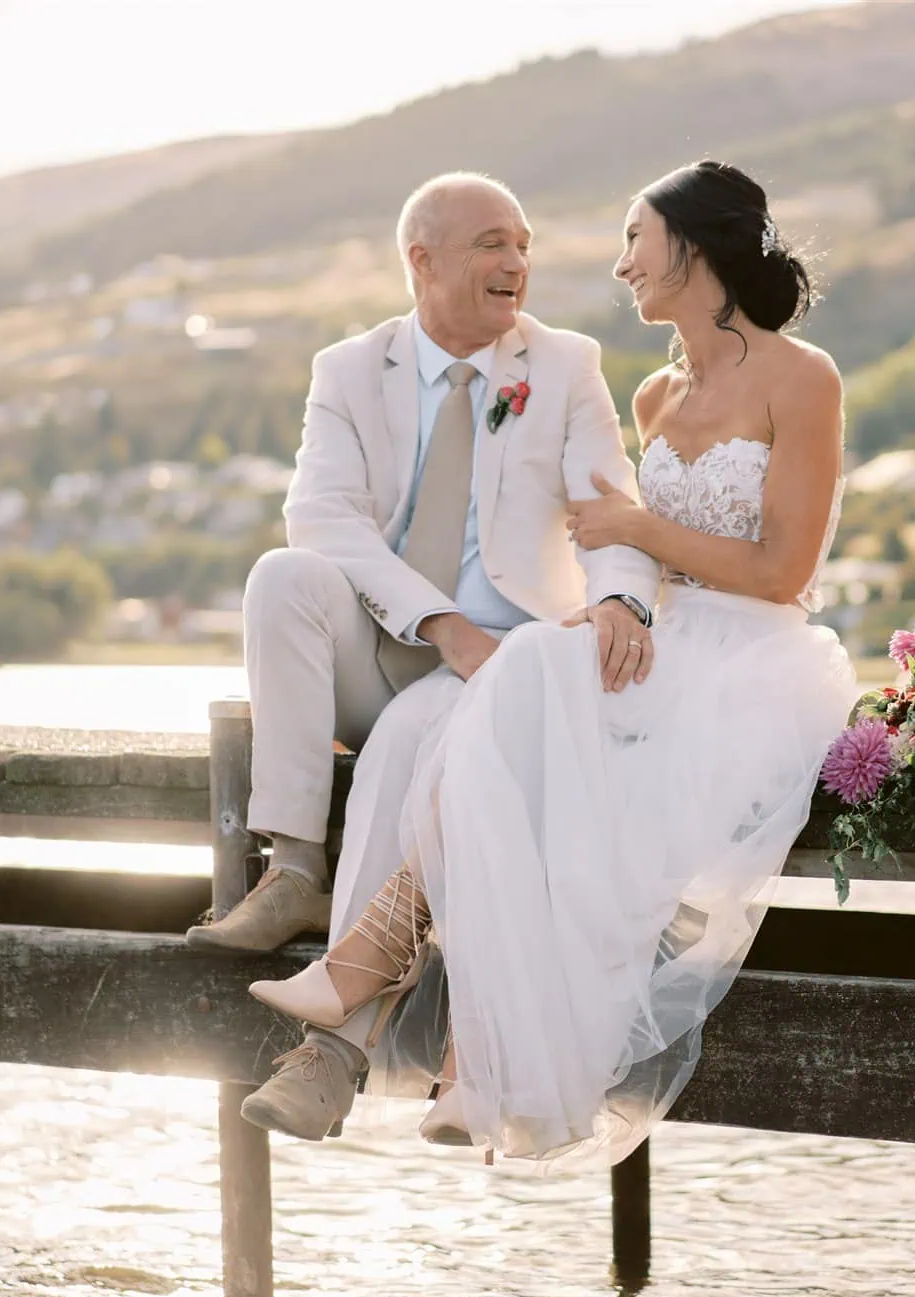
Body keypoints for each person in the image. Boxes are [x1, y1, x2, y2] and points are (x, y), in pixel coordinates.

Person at [248, 161, 860, 1164]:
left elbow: (779, 569)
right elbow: (624, 552)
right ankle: (463, 1052)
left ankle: (384, 983)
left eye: (635, 240)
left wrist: (634, 538)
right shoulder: (656, 393)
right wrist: (615, 594)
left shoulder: (803, 377)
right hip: (663, 644)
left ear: (692, 248)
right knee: (506, 699)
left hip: (752, 662)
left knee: (520, 685)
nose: (620, 266)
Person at [189, 171, 660, 1144]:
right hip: (395, 644)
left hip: (507, 662)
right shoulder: (349, 368)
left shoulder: (564, 364)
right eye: (492, 243)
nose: (516, 262)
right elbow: (321, 516)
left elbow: (611, 511)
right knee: (283, 574)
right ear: (421, 260)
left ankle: (331, 1054)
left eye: (523, 244)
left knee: (401, 751)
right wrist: (440, 623)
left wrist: (620, 599)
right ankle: (293, 864)